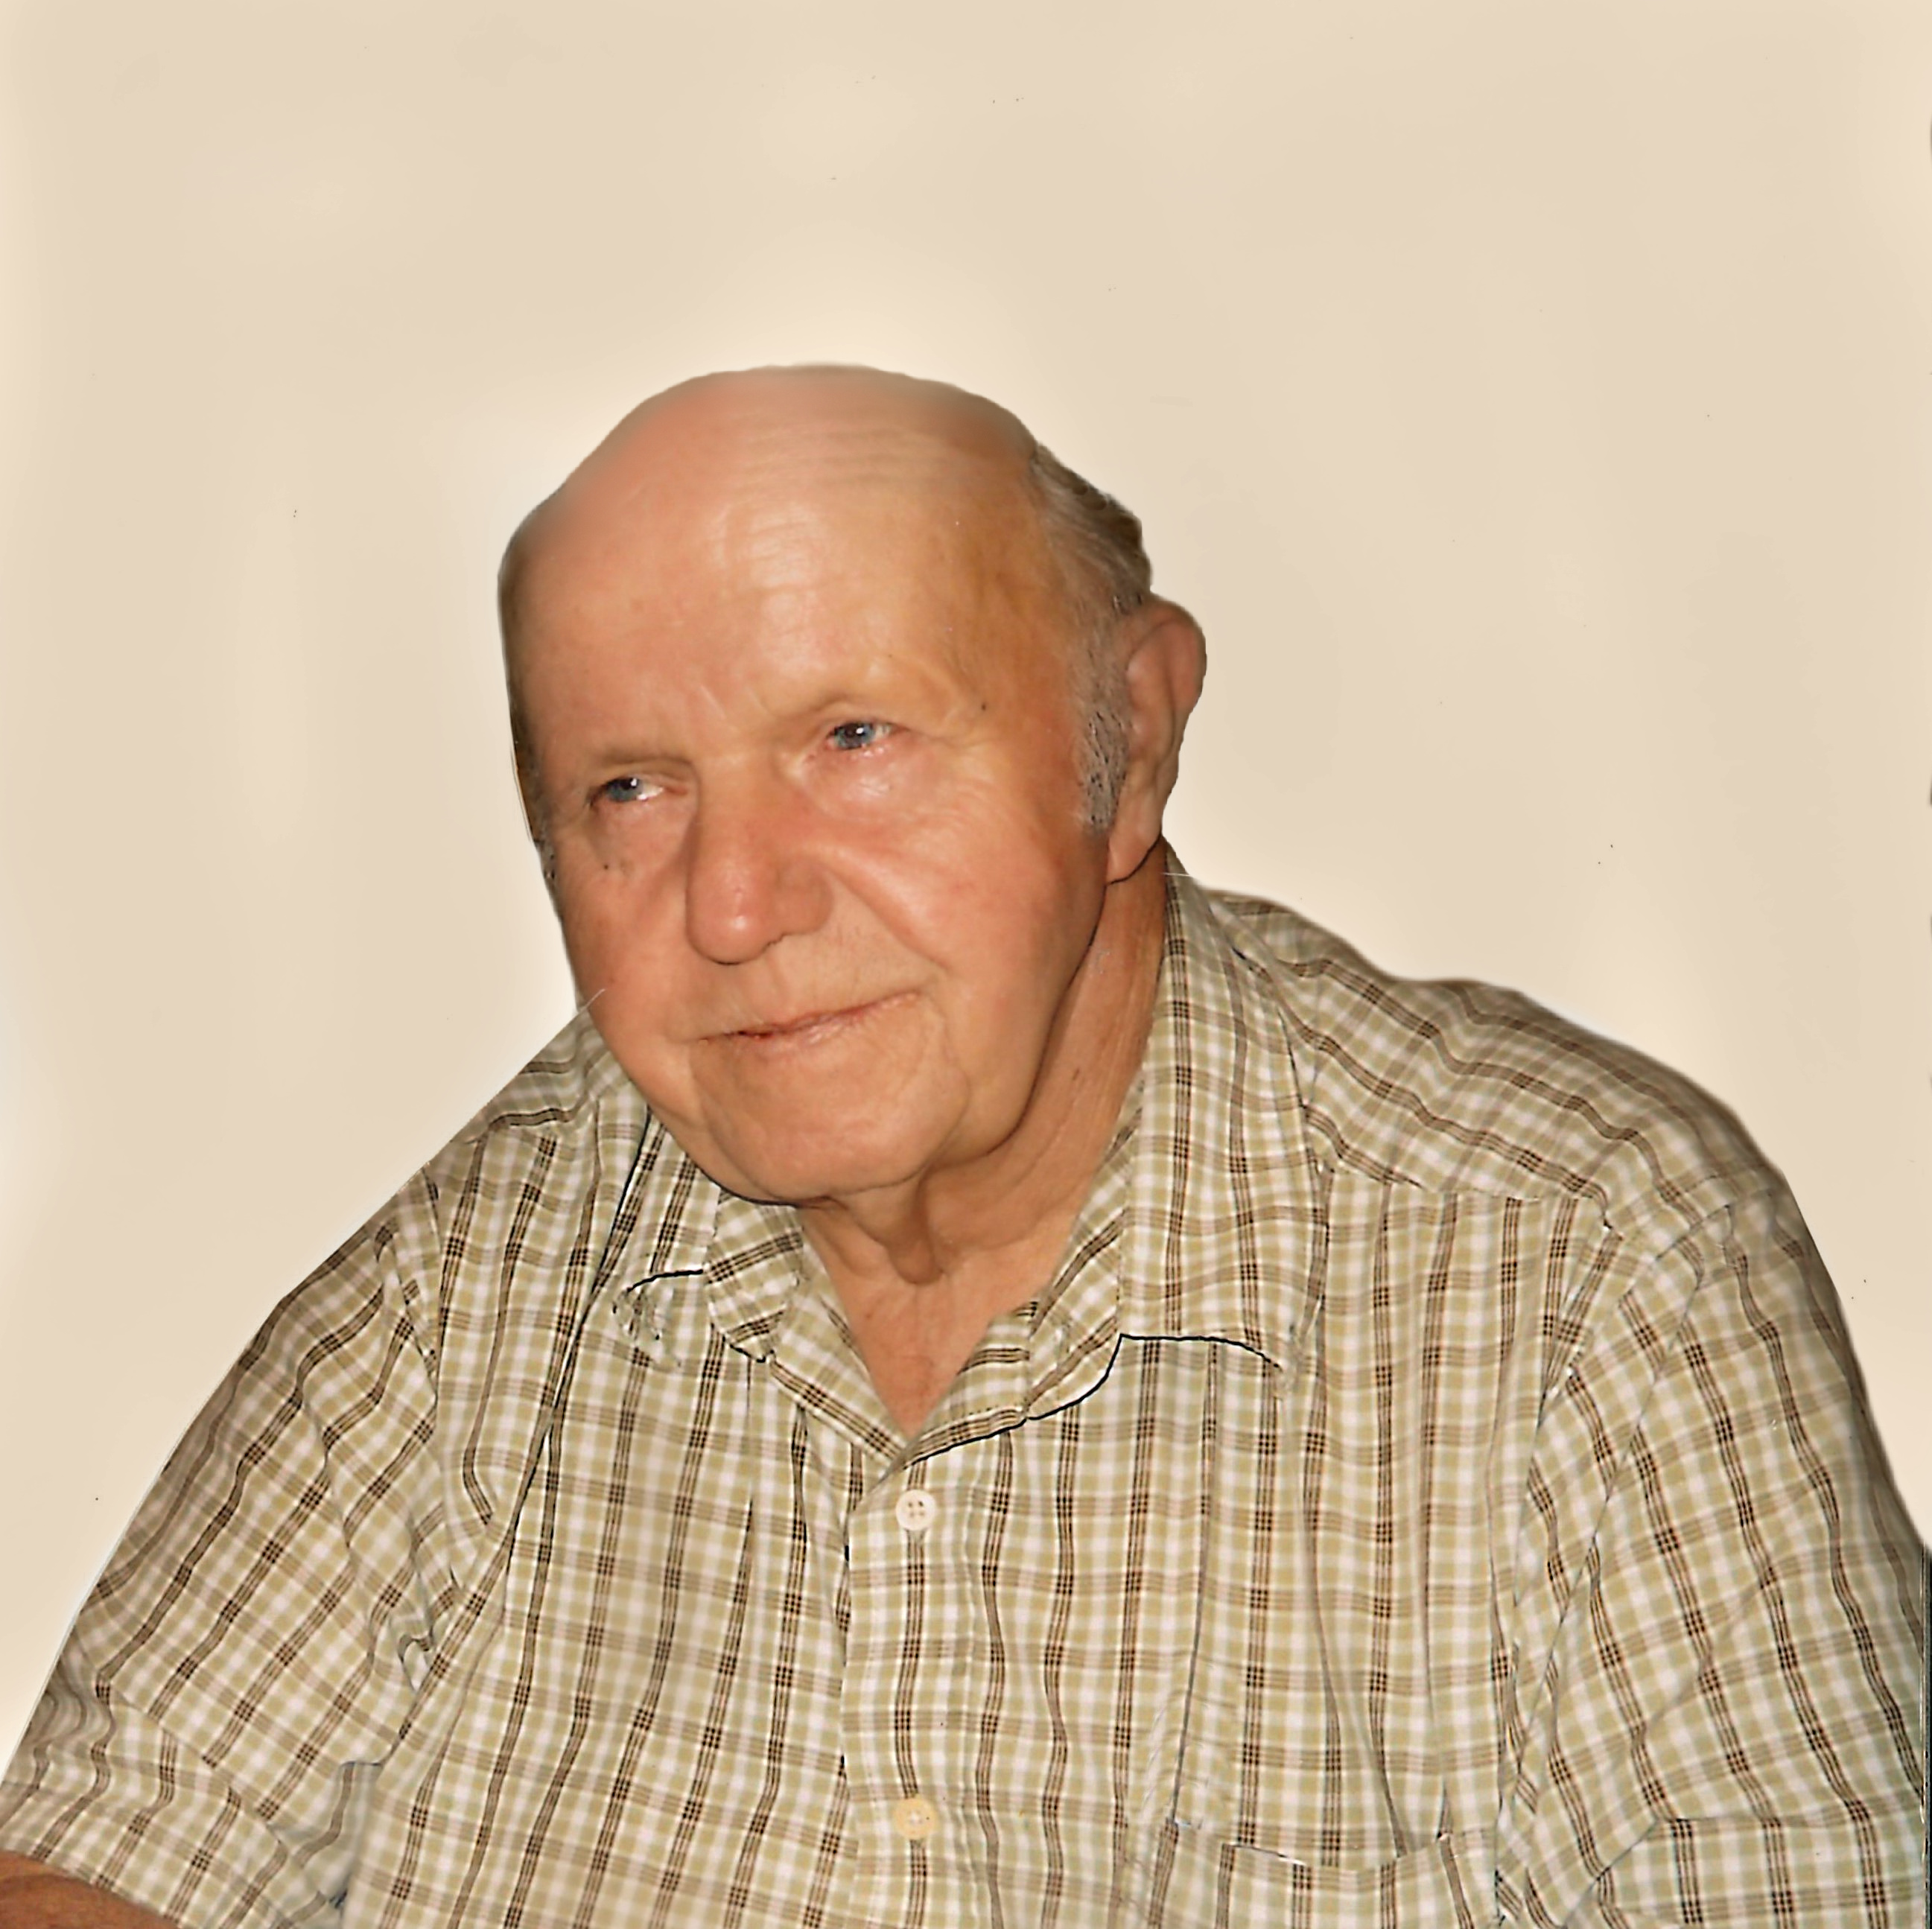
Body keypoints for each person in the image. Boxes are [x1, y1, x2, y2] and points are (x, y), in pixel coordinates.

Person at [0, 366, 1921, 1928]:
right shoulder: (507, 1240)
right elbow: (107, 1848)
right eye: (632, 789)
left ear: (1131, 742)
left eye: (853, 739)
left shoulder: (1585, 1259)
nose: (733, 905)